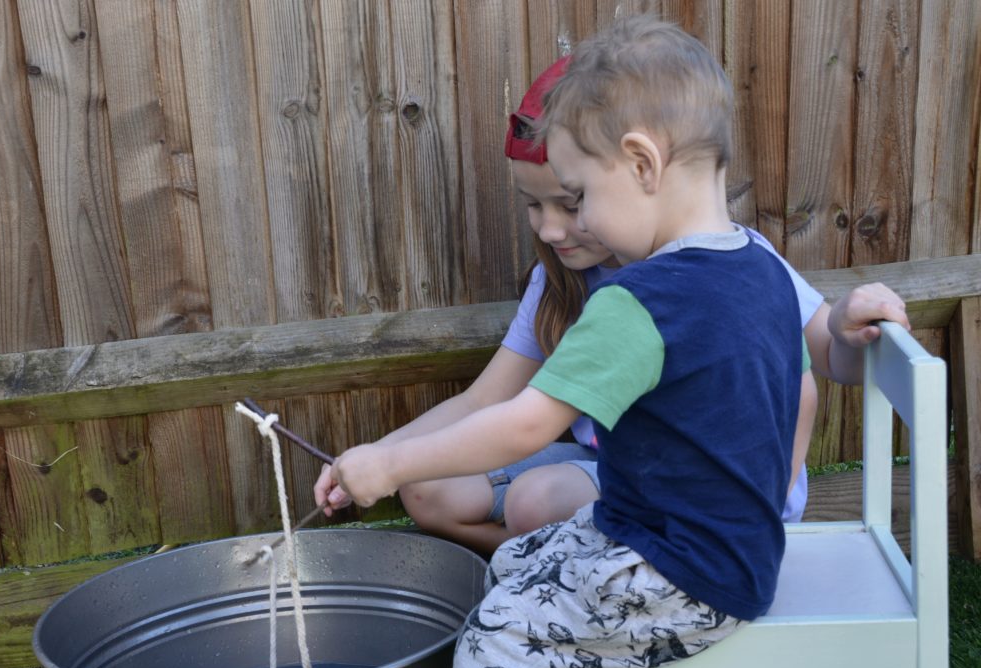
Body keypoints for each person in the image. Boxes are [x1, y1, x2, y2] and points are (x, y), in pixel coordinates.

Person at [315, 15, 908, 668]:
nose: (576, 221)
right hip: (708, 545)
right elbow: (828, 353)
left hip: (686, 572)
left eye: (582, 194)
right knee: (518, 565)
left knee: (492, 643)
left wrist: (387, 462)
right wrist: (854, 326)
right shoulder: (755, 265)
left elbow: (524, 424)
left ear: (641, 162)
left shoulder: (641, 300)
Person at [315, 57, 903, 557]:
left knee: (533, 500)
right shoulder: (561, 281)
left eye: (574, 202)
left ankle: (568, 577)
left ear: (639, 172)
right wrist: (375, 456)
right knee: (428, 488)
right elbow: (483, 401)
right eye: (533, 206)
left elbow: (829, 360)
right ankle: (539, 566)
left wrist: (848, 326)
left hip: (703, 499)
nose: (551, 229)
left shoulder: (735, 267)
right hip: (608, 464)